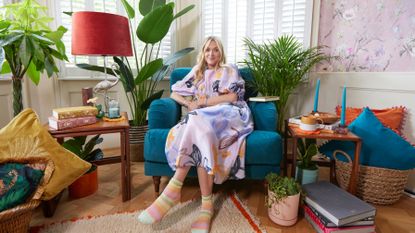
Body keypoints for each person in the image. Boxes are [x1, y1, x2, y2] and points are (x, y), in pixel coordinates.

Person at [138, 36, 254, 233]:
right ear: (203, 52)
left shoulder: (229, 69)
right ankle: (206, 207)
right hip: (203, 117)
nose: (211, 54)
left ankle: (174, 189)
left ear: (221, 52)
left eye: (216, 50)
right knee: (201, 129)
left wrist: (203, 103)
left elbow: (233, 96)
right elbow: (175, 92)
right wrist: (188, 103)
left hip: (230, 114)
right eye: (208, 50)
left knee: (196, 119)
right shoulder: (197, 72)